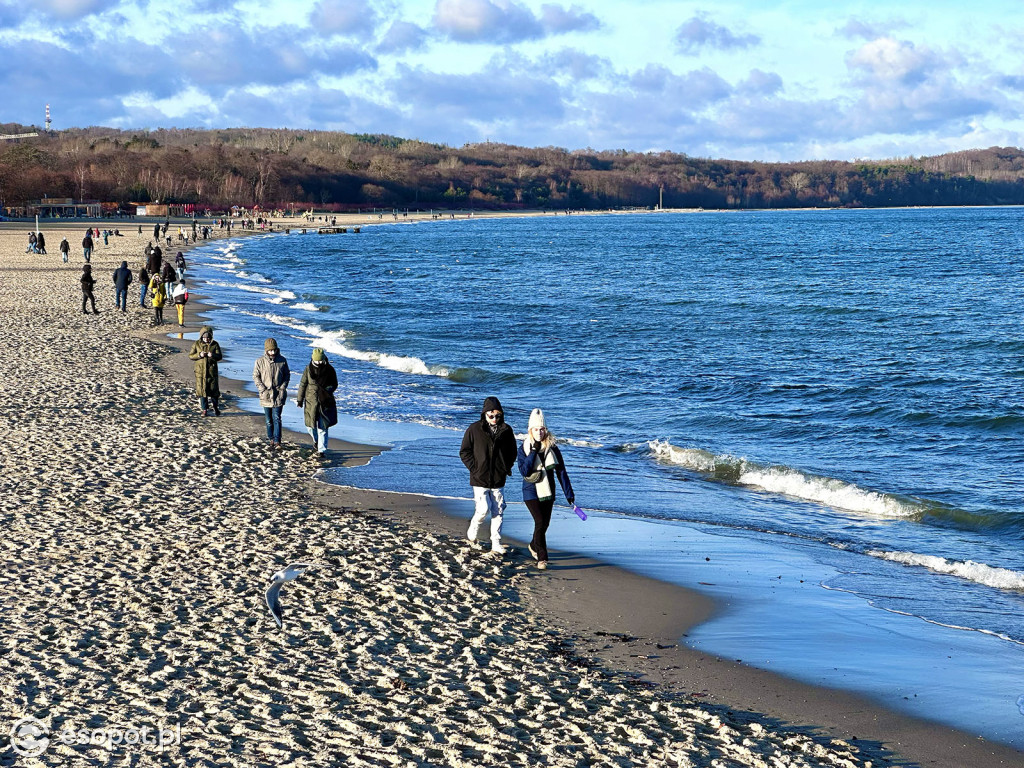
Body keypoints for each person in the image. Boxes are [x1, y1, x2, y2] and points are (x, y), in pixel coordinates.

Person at [517, 409, 574, 571]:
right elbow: (524, 470)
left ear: (546, 429)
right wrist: (534, 450)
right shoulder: (524, 449)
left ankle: (533, 545)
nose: (539, 432)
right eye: (536, 429)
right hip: (530, 491)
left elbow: (561, 472)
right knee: (540, 522)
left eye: (542, 429)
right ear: (530, 430)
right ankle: (542, 558)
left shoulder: (553, 448)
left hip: (549, 491)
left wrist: (569, 494)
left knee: (544, 524)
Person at [459, 396, 517, 554]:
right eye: (491, 415)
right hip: (479, 478)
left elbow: (513, 452)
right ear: (485, 414)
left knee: (498, 509)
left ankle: (496, 542)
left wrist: (506, 467)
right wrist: (474, 468)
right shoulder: (474, 429)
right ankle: (474, 526)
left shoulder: (506, 430)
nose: (494, 419)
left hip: (499, 478)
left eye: (497, 416)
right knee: (483, 508)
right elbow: (464, 451)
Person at [296, 348, 337, 457]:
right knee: (310, 426)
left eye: (320, 360)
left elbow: (334, 384)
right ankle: (316, 441)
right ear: (313, 359)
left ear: (323, 359)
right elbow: (303, 384)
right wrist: (299, 400)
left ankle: (321, 450)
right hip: (311, 401)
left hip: (325, 402)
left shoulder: (330, 369)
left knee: (322, 427)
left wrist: (327, 390)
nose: (319, 363)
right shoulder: (308, 369)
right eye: (317, 361)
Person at [253, 339, 289, 449]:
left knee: (277, 417)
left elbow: (287, 375)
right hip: (266, 394)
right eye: (270, 350)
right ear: (266, 350)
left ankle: (278, 440)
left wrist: (282, 388)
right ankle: (271, 439)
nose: (272, 352)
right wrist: (262, 389)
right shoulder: (259, 361)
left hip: (279, 394)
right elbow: (255, 376)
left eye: (274, 350)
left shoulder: (282, 360)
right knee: (269, 420)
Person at [188, 326, 223, 416]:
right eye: (204, 337)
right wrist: (199, 355)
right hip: (200, 372)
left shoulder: (215, 344)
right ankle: (204, 410)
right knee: (202, 391)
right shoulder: (196, 344)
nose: (206, 339)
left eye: (208, 337)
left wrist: (213, 355)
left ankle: (215, 407)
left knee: (214, 391)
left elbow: (219, 356)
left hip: (212, 372)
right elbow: (191, 356)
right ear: (201, 337)